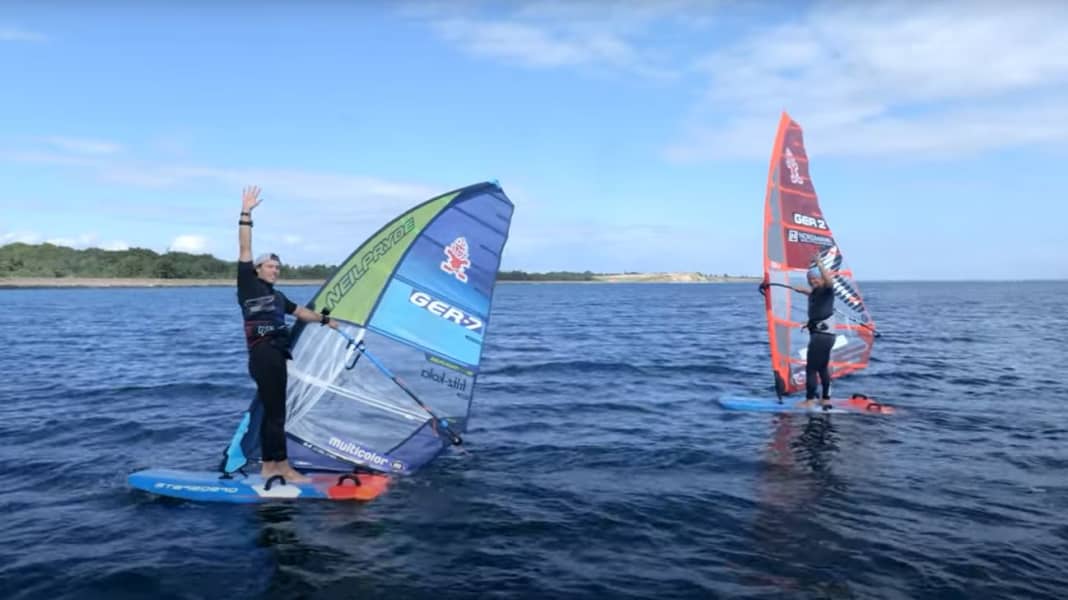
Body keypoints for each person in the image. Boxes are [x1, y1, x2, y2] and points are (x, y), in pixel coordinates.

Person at [237, 185, 337, 483]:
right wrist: (246, 213)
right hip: (263, 353)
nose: (275, 270)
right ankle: (275, 466)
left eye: (278, 267)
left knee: (277, 412)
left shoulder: (278, 296)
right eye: (270, 266)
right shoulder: (248, 284)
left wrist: (325, 320)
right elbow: (244, 248)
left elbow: (301, 312)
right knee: (275, 412)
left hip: (278, 355)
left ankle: (277, 465)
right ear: (257, 269)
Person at [790, 251, 836, 409]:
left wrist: (819, 264)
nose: (812, 281)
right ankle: (826, 398)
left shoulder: (827, 289)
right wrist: (809, 323)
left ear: (821, 278)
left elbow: (829, 282)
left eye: (815, 279)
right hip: (825, 335)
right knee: (822, 367)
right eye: (810, 280)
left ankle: (810, 400)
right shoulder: (817, 293)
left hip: (821, 337)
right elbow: (814, 297)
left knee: (811, 367)